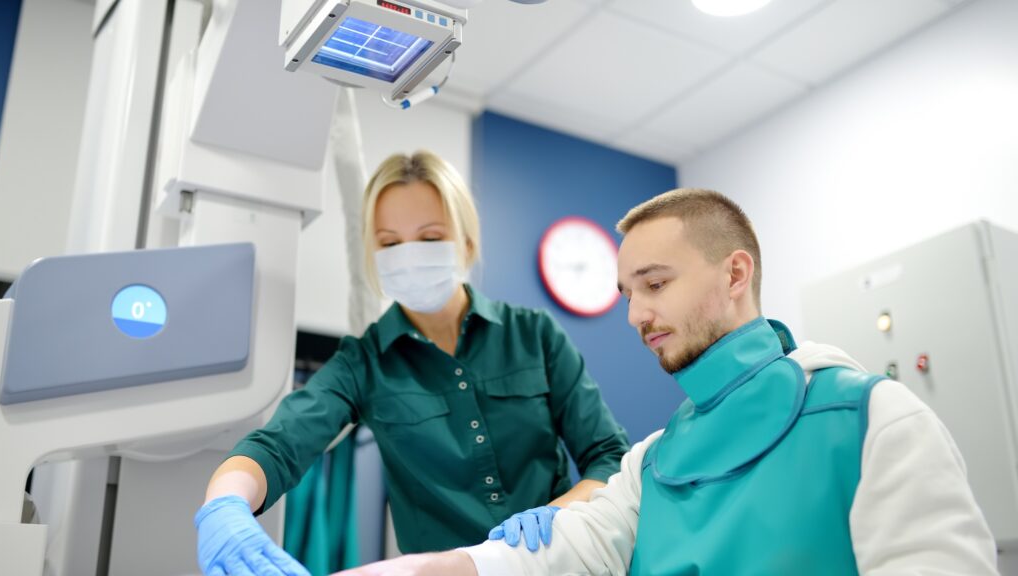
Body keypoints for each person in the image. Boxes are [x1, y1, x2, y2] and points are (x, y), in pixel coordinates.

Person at [332, 188, 999, 576]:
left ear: (735, 275)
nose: (636, 314)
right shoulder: (652, 461)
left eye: (654, 285)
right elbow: (560, 553)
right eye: (626, 292)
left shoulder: (872, 419)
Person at [193, 151, 630, 575]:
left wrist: (556, 515)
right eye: (390, 243)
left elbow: (608, 456)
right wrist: (224, 506)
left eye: (430, 236)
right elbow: (277, 445)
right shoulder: (364, 362)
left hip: (551, 563)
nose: (409, 254)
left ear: (467, 240)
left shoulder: (533, 334)